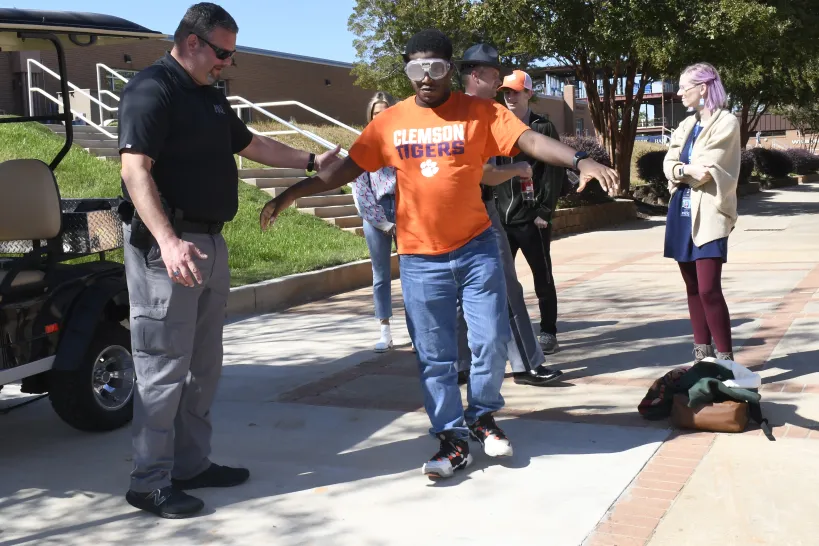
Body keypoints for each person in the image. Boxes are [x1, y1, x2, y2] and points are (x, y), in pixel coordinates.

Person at [260, 29, 619, 479]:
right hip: (419, 258)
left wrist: (580, 160)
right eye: (415, 69)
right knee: (435, 355)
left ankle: (483, 416)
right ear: (407, 70)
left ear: (450, 68)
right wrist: (289, 194)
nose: (425, 78)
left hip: (477, 247)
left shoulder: (481, 112)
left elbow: (529, 141)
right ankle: (451, 439)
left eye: (435, 68)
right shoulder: (390, 122)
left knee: (488, 342)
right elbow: (342, 170)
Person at [117, 2, 340, 519]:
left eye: (232, 56)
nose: (228, 64)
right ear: (193, 42)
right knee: (161, 369)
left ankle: (191, 465)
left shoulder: (210, 97)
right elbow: (135, 171)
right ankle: (148, 481)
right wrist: (169, 242)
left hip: (211, 246)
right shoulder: (153, 89)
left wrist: (309, 161)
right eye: (223, 54)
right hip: (167, 250)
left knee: (203, 368)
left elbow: (252, 144)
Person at [455, 45, 563, 386]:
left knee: (507, 286)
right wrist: (516, 168)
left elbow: (532, 146)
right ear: (475, 75)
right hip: (460, 210)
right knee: (459, 290)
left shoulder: (492, 113)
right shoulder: (457, 113)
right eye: (493, 76)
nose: (499, 85)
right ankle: (459, 363)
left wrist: (575, 160)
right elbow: (483, 170)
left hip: (488, 211)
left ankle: (525, 363)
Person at [662, 62, 740, 364]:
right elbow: (669, 164)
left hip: (709, 215)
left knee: (708, 289)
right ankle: (701, 357)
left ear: (703, 88)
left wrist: (681, 171)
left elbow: (707, 172)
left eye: (685, 87)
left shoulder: (726, 123)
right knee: (692, 288)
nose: (680, 93)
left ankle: (725, 359)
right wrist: (684, 169)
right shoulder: (685, 125)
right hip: (680, 214)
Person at [493, 69, 565, 357]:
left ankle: (548, 331)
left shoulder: (543, 127)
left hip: (532, 217)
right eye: (506, 92)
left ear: (528, 93)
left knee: (542, 276)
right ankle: (505, 333)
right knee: (500, 279)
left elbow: (553, 172)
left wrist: (544, 210)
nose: (510, 96)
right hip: (501, 216)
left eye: (515, 91)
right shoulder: (496, 124)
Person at [351, 91, 399, 352]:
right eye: (376, 114)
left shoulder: (403, 142)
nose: (381, 117)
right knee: (380, 274)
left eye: (385, 112)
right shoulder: (363, 145)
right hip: (376, 211)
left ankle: (418, 330)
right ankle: (385, 330)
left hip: (405, 208)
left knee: (414, 272)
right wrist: (381, 222)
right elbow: (360, 189)